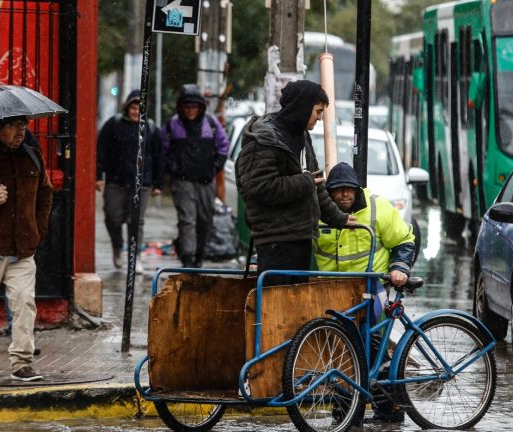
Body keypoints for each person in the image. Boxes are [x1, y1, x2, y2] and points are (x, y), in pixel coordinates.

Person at [315, 161, 415, 423]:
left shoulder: (378, 208)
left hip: (372, 290)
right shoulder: (319, 212)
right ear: (329, 193)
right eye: (337, 190)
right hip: (333, 291)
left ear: (357, 189)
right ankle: (348, 414)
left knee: (371, 347)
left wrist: (399, 268)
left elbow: (404, 241)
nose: (344, 195)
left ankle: (389, 410)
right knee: (340, 353)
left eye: (349, 189)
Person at [235, 79, 356, 286]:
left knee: (295, 300)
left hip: (301, 236)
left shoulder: (302, 136)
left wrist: (337, 218)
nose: (320, 118)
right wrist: (305, 182)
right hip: (275, 239)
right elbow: (259, 188)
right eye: (318, 111)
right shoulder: (264, 140)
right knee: (276, 300)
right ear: (303, 107)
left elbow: (316, 183)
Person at [0, 115, 53, 384]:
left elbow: (45, 194)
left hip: (23, 248)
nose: (21, 130)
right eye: (14, 125)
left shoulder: (32, 156)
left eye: (24, 125)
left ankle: (22, 363)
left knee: (24, 304)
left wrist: (37, 230)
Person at [162, 84, 229, 268]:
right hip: (182, 182)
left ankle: (199, 254)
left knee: (205, 220)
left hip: (206, 181)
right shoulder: (173, 125)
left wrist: (214, 168)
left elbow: (224, 145)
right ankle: (188, 258)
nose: (190, 110)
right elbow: (163, 150)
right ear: (181, 107)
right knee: (187, 220)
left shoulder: (211, 123)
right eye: (187, 106)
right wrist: (173, 168)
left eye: (194, 106)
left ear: (200, 107)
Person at [96, 89, 164, 273]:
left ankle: (135, 257)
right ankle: (117, 246)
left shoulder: (151, 129)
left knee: (136, 222)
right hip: (116, 181)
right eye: (133, 108)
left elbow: (159, 156)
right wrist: (98, 176)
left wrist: (158, 184)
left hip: (142, 184)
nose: (136, 112)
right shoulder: (114, 125)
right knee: (112, 217)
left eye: (140, 108)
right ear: (127, 108)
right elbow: (101, 150)